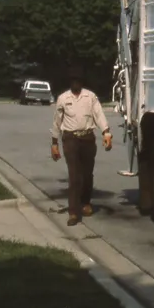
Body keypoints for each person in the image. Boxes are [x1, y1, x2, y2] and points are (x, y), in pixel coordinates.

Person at [50, 66, 113, 226]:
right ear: (70, 82)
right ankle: (73, 212)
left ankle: (85, 203)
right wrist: (54, 143)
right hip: (70, 139)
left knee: (87, 174)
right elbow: (57, 121)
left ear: (81, 82)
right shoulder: (63, 98)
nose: (75, 83)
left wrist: (106, 132)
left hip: (88, 139)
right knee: (74, 176)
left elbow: (99, 114)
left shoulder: (90, 97)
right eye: (73, 81)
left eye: (78, 81)